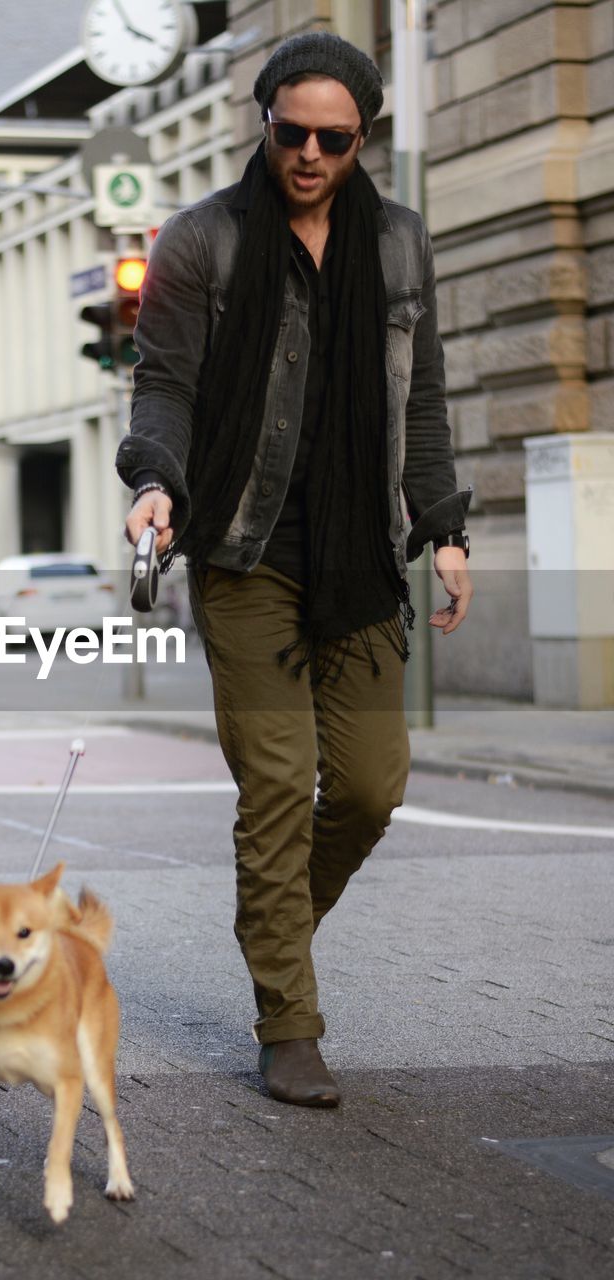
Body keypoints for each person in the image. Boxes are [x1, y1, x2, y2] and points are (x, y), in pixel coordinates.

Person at [117, 31, 473, 1108]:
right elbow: (163, 383)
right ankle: (289, 1021)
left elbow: (421, 403)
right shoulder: (203, 240)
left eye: (333, 138)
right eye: (290, 133)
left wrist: (444, 525)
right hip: (240, 546)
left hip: (360, 553)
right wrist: (154, 480)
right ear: (261, 122)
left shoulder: (401, 246)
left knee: (367, 785)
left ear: (363, 136)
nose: (309, 155)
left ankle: (268, 921)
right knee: (274, 783)